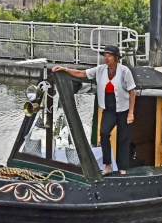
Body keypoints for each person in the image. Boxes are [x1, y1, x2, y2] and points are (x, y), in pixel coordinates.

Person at [52, 45, 136, 174]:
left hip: (123, 110)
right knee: (103, 133)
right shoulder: (100, 70)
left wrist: (130, 113)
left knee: (123, 139)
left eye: (109, 55)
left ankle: (123, 169)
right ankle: (108, 165)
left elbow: (132, 92)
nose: (106, 58)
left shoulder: (125, 71)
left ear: (116, 57)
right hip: (108, 110)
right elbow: (82, 73)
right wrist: (65, 69)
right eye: (105, 55)